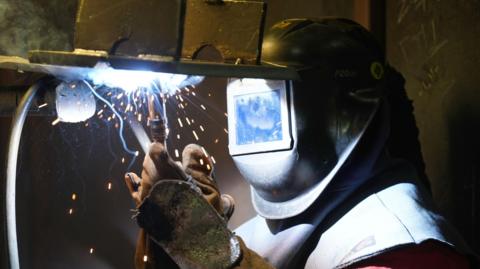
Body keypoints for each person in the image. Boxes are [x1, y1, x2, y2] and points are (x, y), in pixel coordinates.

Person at [124, 18, 476, 268]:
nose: (259, 126)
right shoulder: (262, 231)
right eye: (251, 113)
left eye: (268, 111)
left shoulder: (401, 248)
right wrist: (173, 244)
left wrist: (204, 245)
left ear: (337, 111)